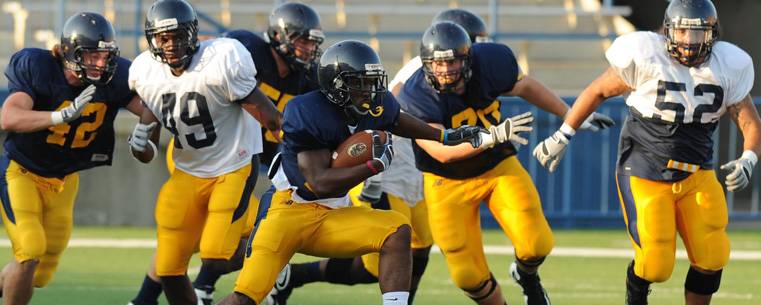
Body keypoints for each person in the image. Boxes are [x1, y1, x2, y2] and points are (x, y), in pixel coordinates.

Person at [216, 39, 483, 305]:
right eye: (361, 83)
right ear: (336, 86)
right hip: (288, 211)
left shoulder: (375, 104)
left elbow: (397, 119)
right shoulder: (306, 111)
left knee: (397, 230)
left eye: (373, 81)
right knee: (245, 298)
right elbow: (319, 182)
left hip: (334, 213)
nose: (371, 90)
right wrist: (372, 167)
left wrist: (445, 136)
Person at [532, 0, 761, 304]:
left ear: (712, 34)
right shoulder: (648, 56)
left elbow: (751, 123)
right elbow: (597, 90)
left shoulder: (727, 66)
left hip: (697, 173)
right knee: (655, 264)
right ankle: (636, 293)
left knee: (712, 255)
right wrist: (563, 134)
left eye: (697, 34)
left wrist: (749, 158)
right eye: (682, 33)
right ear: (668, 31)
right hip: (646, 169)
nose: (689, 42)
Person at [395, 22, 614, 305]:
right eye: (438, 63)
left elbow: (525, 86)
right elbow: (441, 152)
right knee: (467, 275)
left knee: (537, 243)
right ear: (426, 64)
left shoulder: (490, 63)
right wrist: (490, 136)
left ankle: (526, 276)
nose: (446, 70)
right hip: (445, 180)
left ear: (468, 58)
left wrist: (571, 114)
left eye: (453, 61)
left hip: (496, 167)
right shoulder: (414, 96)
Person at [126, 2, 324, 305]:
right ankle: (153, 297)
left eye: (178, 35)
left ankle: (266, 255)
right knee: (173, 258)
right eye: (164, 37)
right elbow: (149, 145)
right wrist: (141, 144)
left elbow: (274, 120)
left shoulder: (226, 60)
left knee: (215, 254)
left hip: (234, 161)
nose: (172, 44)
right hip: (189, 164)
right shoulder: (147, 71)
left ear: (193, 35)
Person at [0, 12, 142, 305]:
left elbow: (152, 107)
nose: (101, 64)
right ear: (68, 51)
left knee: (39, 275)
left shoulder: (115, 78)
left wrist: (148, 130)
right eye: (92, 56)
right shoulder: (38, 66)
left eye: (106, 56)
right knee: (29, 252)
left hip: (65, 179)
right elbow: (9, 117)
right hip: (21, 172)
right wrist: (59, 116)